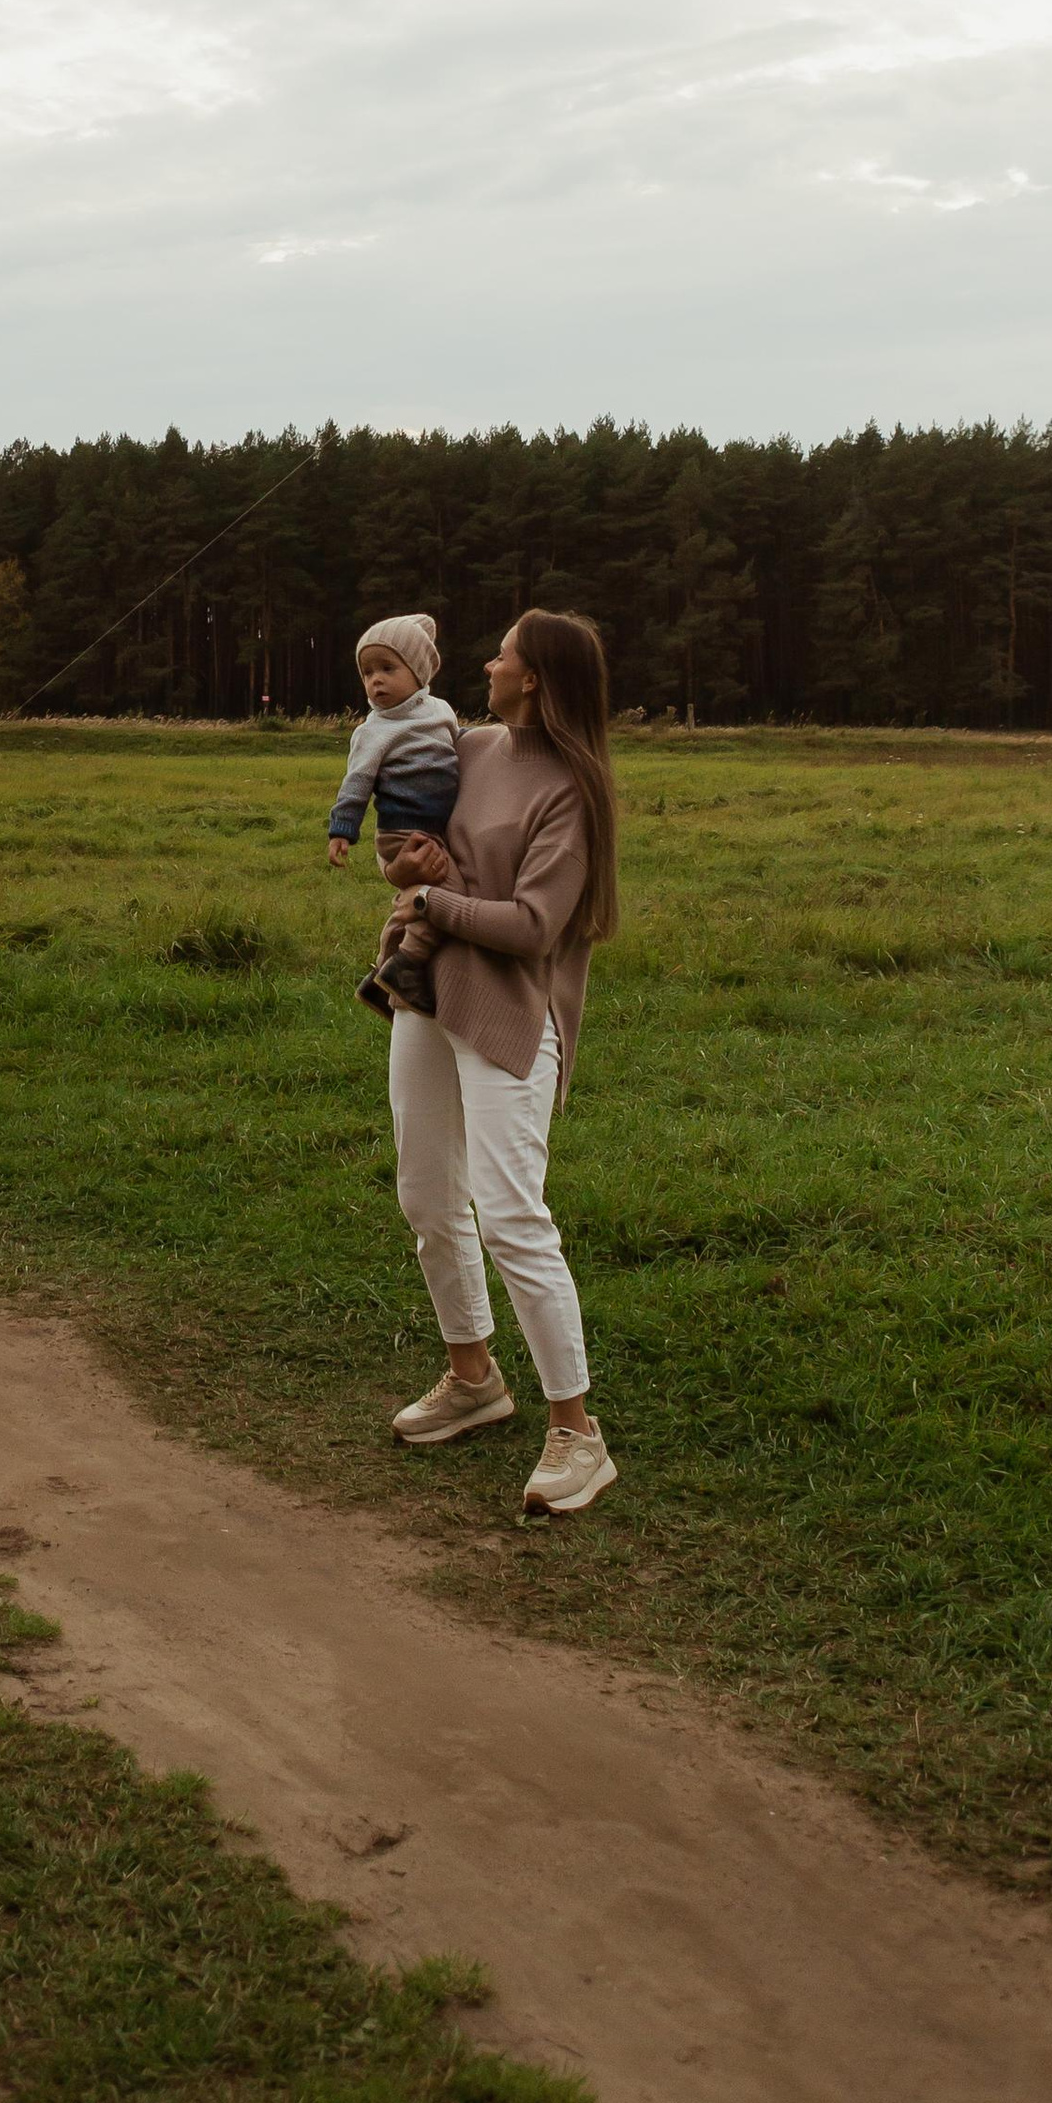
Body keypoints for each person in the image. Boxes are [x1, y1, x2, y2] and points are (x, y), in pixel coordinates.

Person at [371, 608, 621, 1519]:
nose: (488, 660)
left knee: (512, 1215)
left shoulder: (571, 791)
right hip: (429, 994)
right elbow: (402, 849)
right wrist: (409, 866)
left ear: (537, 680)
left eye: (505, 653)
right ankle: (474, 1377)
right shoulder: (467, 748)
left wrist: (435, 894)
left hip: (512, 1012)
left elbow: (532, 927)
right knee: (426, 1197)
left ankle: (578, 1434)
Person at [326, 616, 464, 1016]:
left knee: (418, 898)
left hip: (436, 829)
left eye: (388, 668)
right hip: (403, 831)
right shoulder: (375, 729)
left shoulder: (440, 712)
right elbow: (357, 783)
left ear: (419, 672)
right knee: (443, 897)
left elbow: (460, 753)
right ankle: (406, 966)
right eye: (367, 673)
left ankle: (384, 972)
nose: (376, 681)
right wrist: (342, 830)